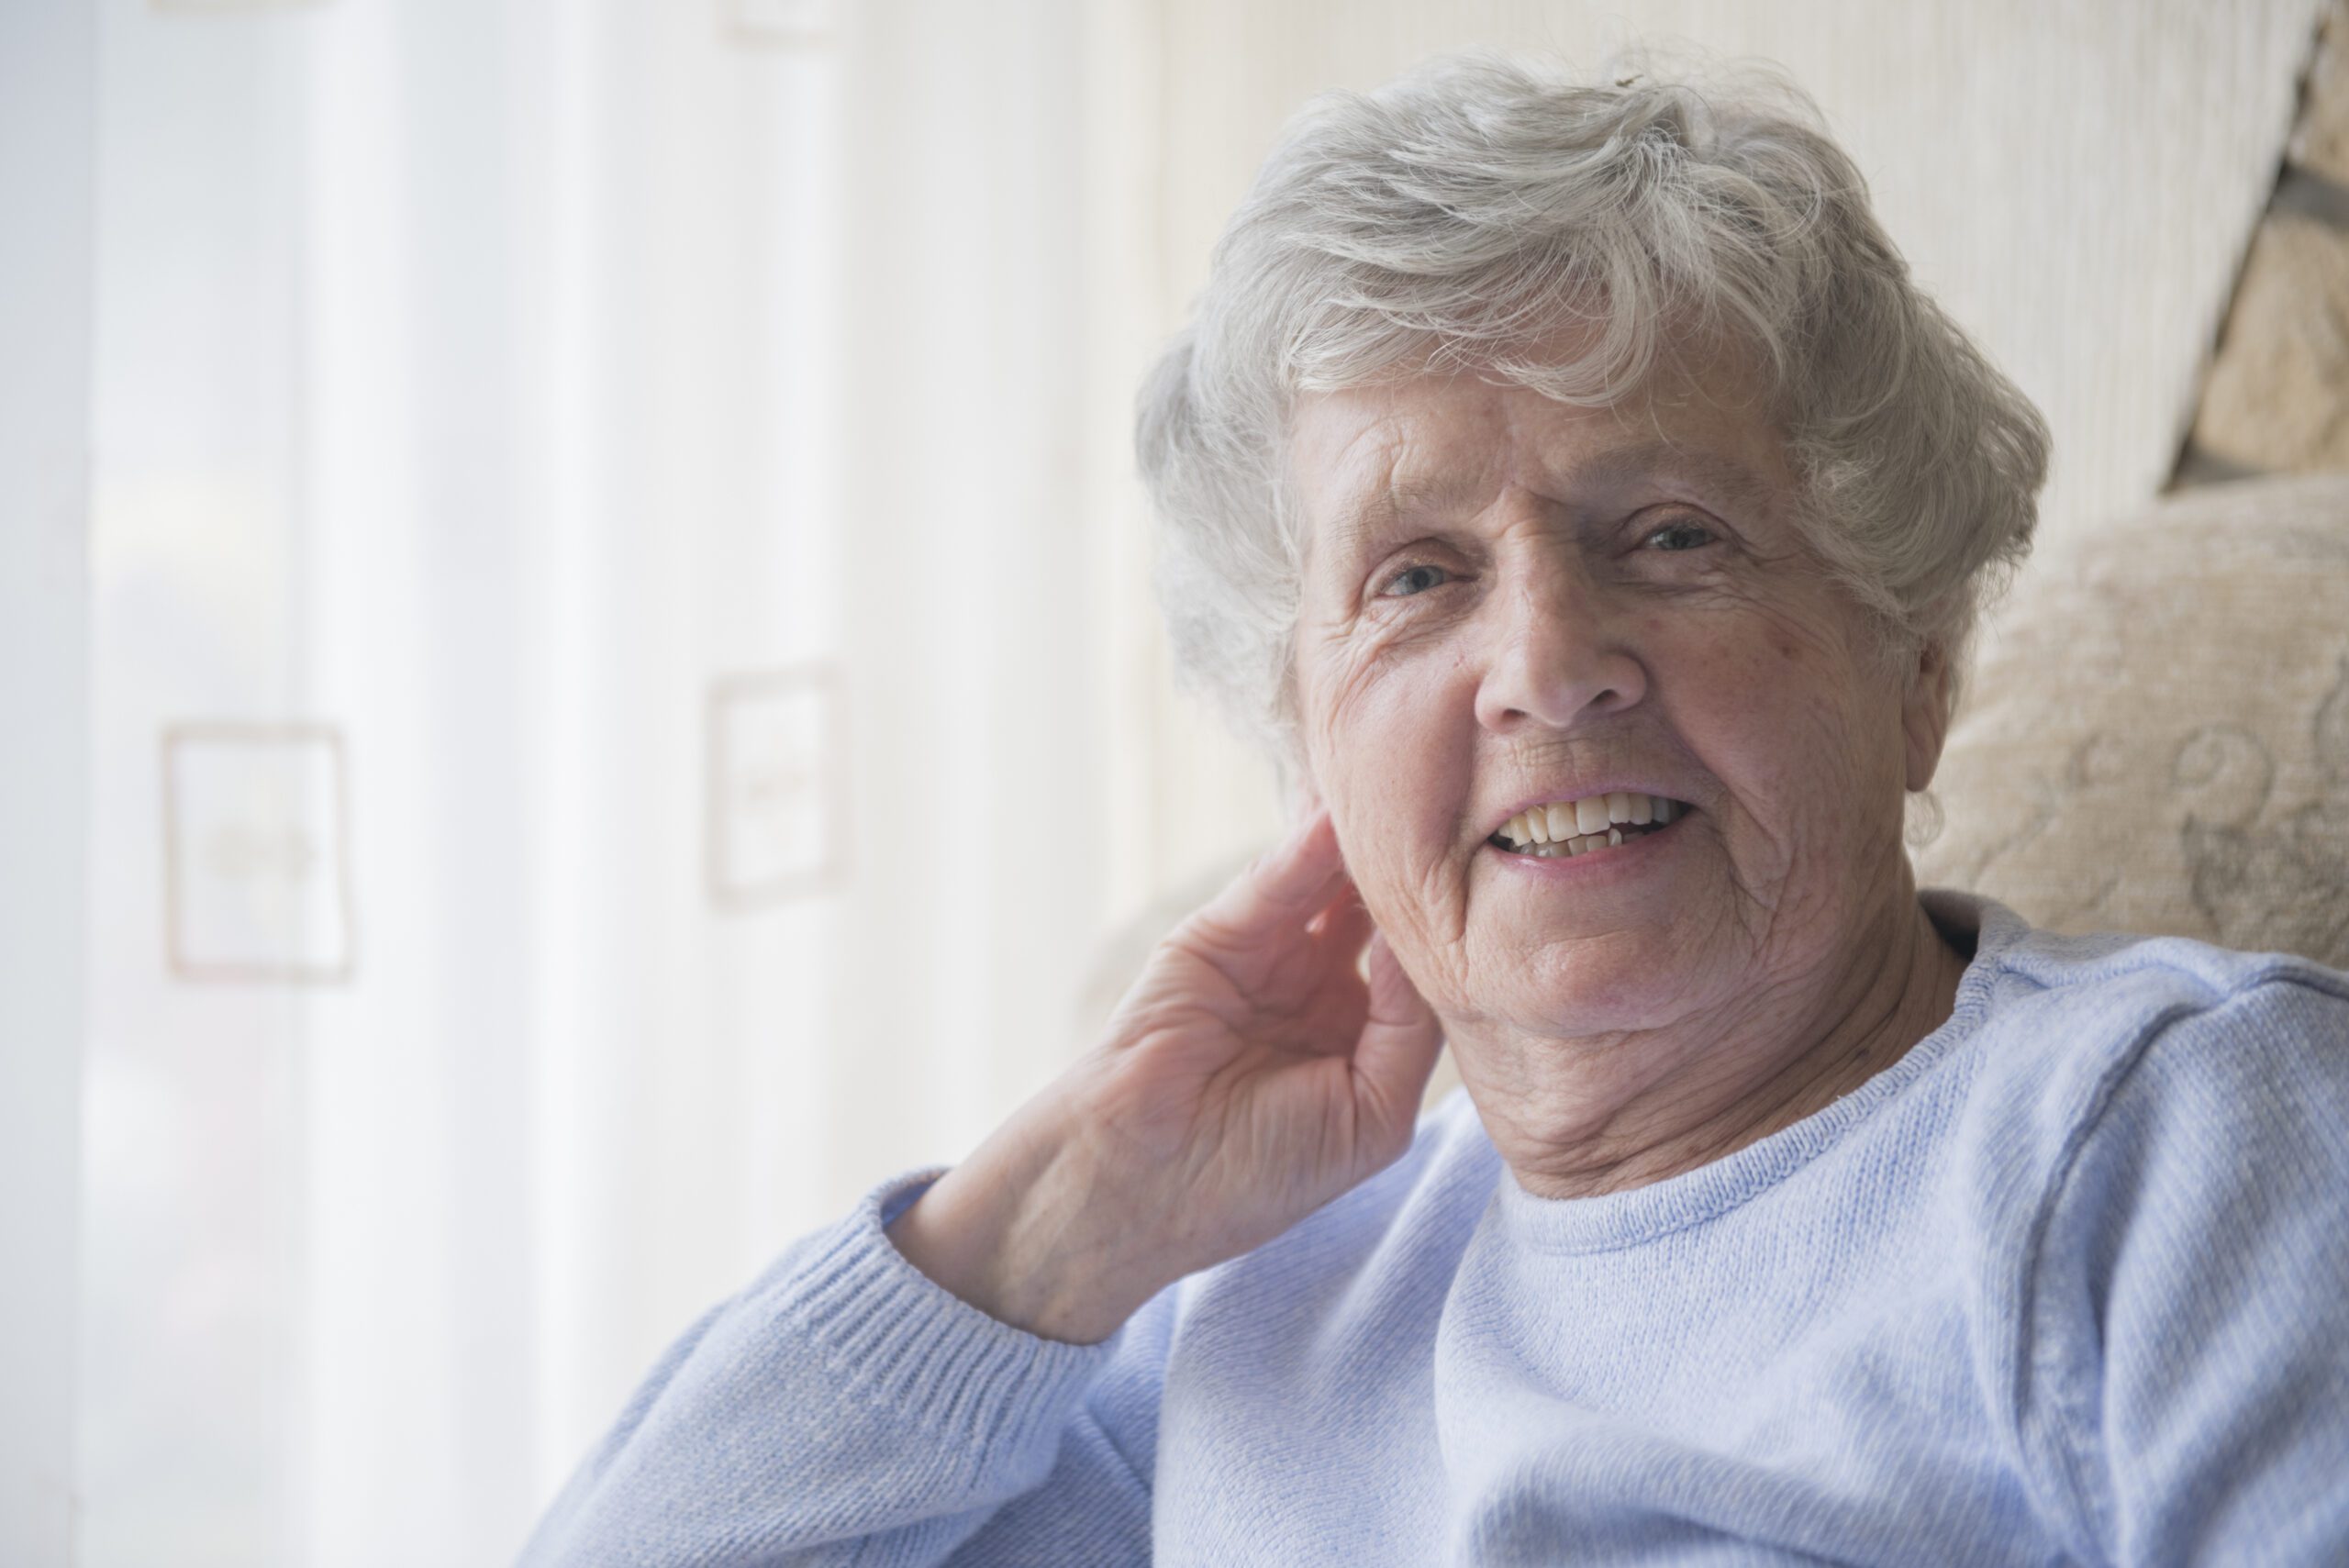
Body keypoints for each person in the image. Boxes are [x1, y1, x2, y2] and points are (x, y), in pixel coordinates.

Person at [516, 54, 2349, 1566]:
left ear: (1917, 666)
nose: (1547, 667)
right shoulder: (1255, 1298)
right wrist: (1062, 1209)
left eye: (1669, 537)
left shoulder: (2178, 1146)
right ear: (1305, 749)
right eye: (1412, 578)